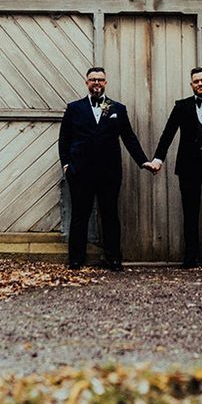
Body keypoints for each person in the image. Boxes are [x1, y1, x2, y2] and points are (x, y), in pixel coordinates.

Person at [58, 66, 155, 270]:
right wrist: (66, 164)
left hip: (109, 173)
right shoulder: (74, 108)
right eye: (93, 79)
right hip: (80, 172)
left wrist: (143, 161)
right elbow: (64, 139)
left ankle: (113, 259)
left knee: (110, 215)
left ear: (105, 83)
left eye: (100, 80)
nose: (96, 83)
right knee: (80, 215)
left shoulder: (117, 109)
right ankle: (76, 259)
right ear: (87, 82)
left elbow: (129, 137)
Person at [148, 67, 202, 268]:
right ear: (191, 85)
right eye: (196, 81)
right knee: (190, 212)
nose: (200, 84)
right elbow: (168, 134)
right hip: (188, 169)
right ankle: (190, 257)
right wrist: (158, 159)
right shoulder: (182, 106)